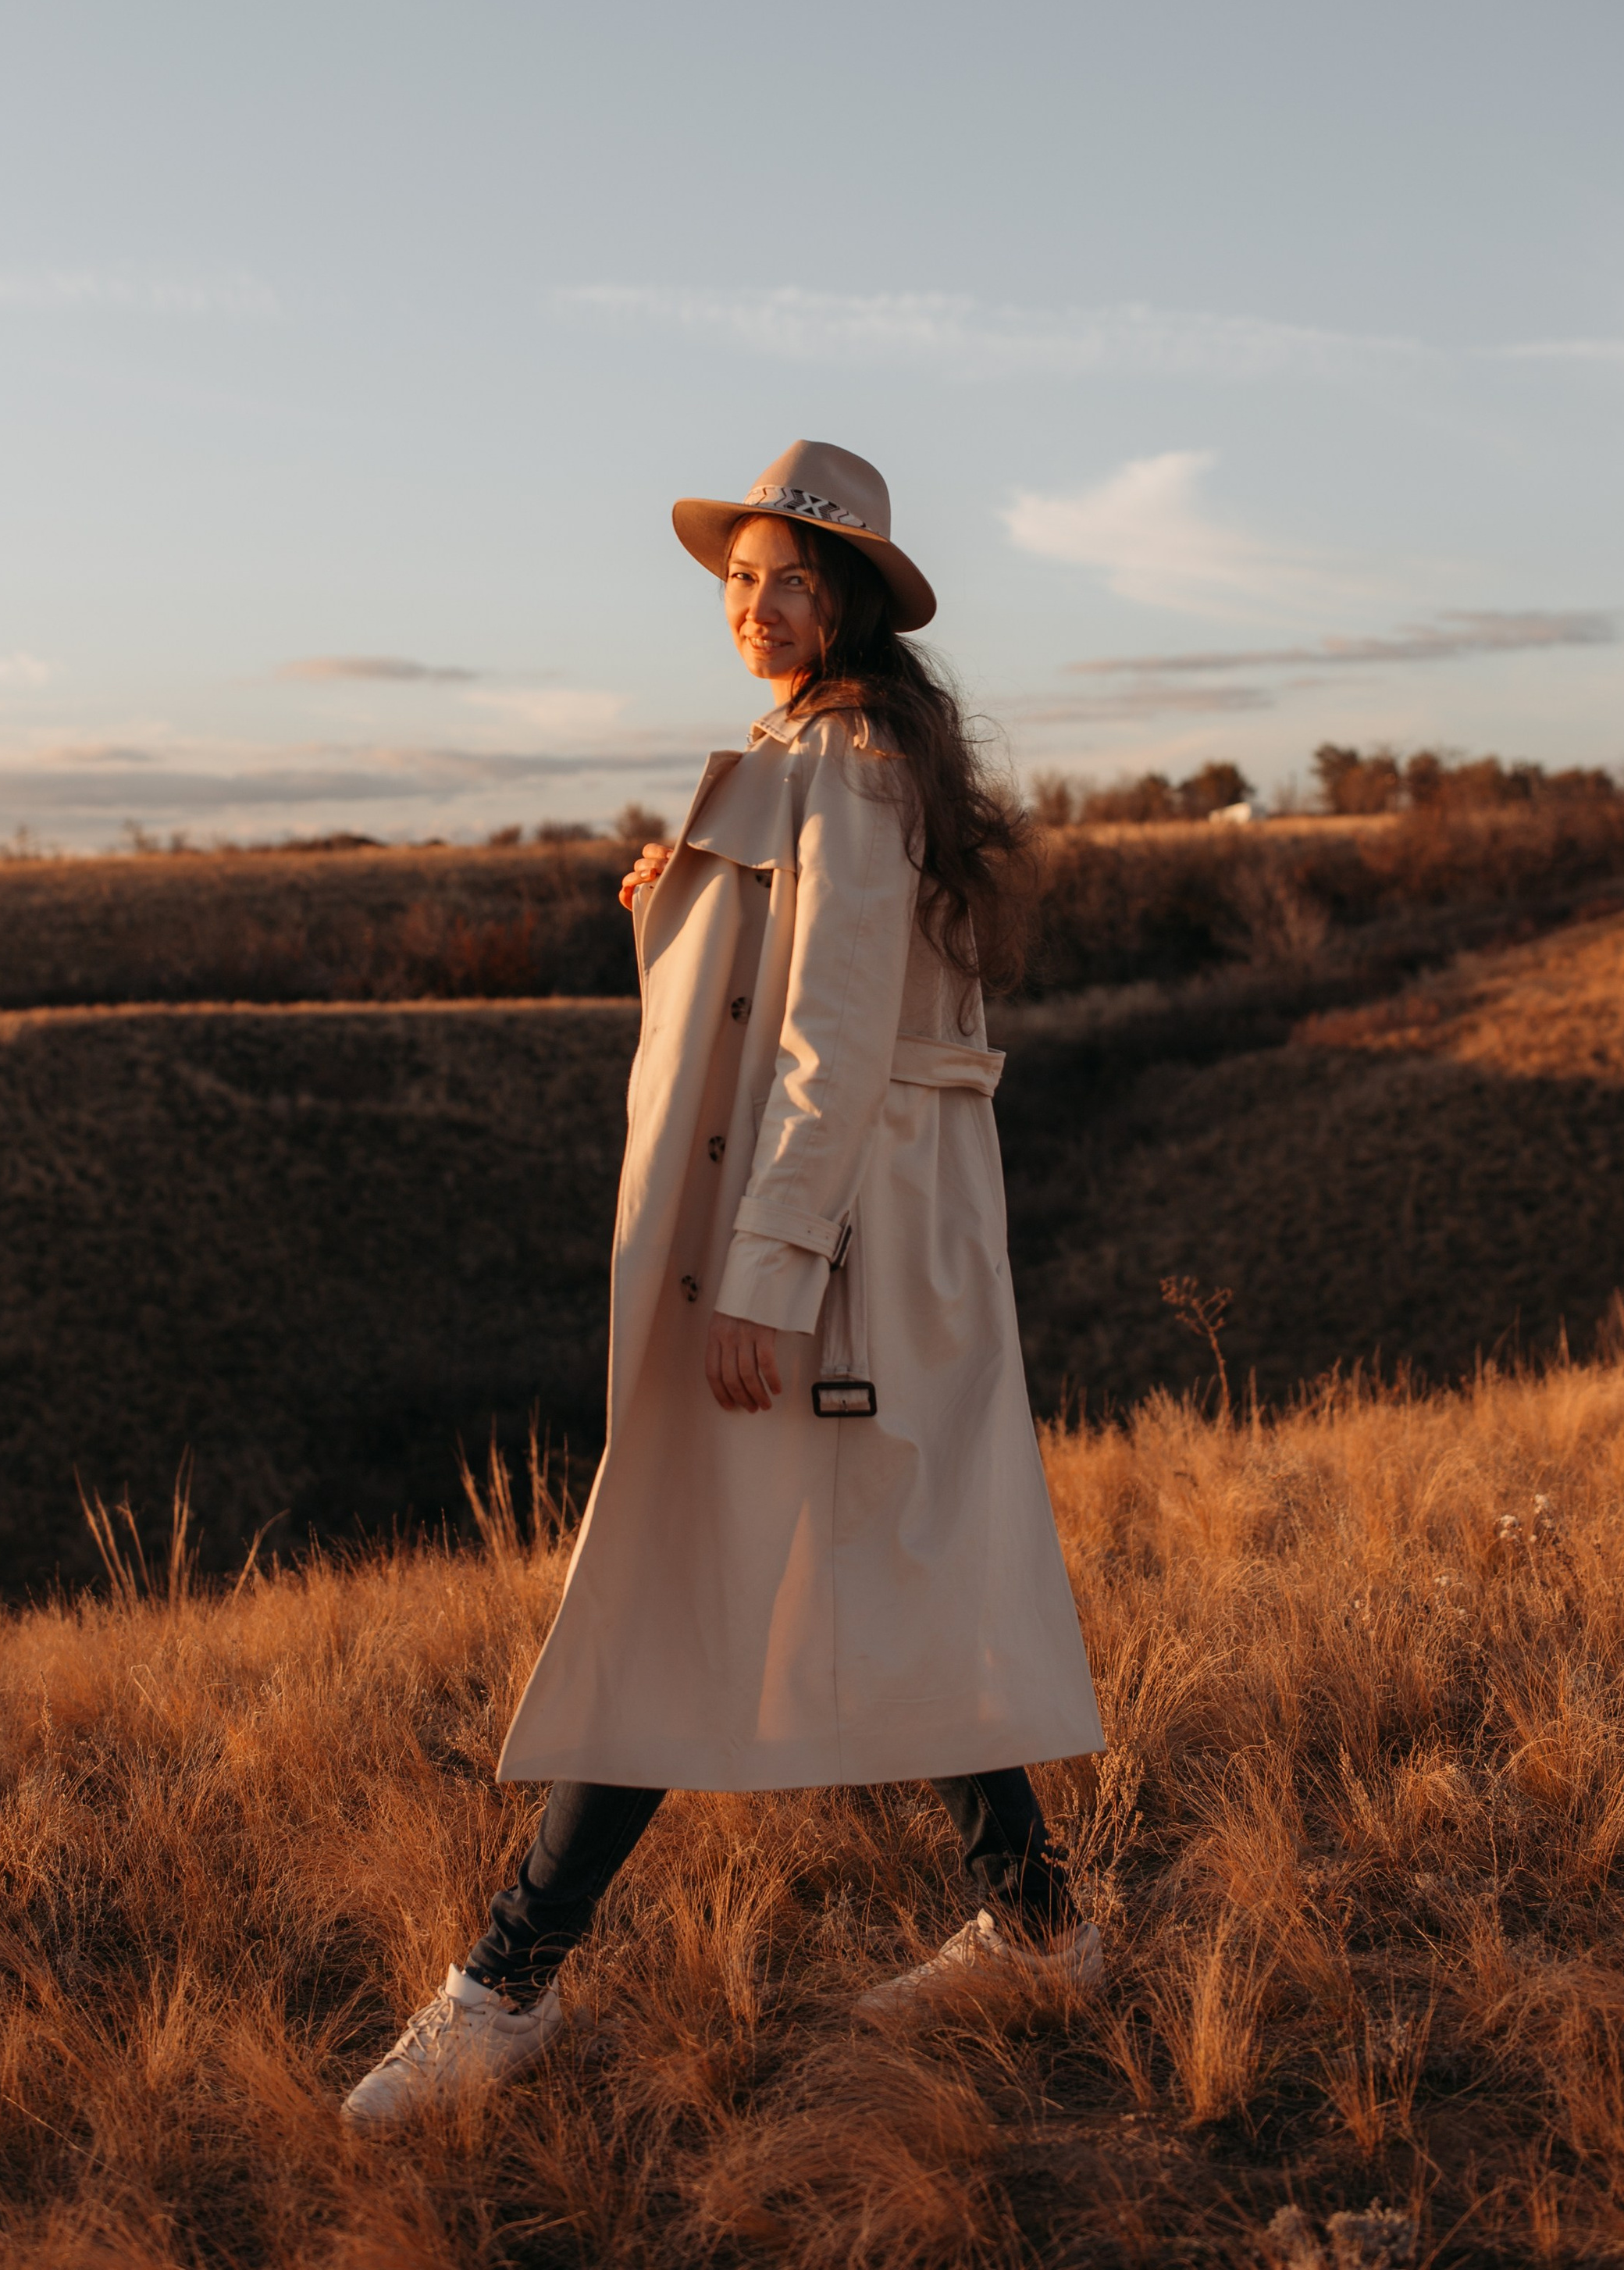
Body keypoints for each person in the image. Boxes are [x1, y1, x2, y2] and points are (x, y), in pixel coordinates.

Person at [342, 440, 1104, 2129]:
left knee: (680, 1571)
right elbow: (802, 983)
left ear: (847, 603)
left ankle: (504, 1980)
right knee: (869, 1560)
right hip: (856, 1247)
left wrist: (767, 1274)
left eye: (785, 579)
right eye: (736, 578)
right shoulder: (828, 754)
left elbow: (833, 1044)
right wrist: (681, 901)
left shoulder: (851, 765)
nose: (751, 606)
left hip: (821, 1258)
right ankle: (1042, 1922)